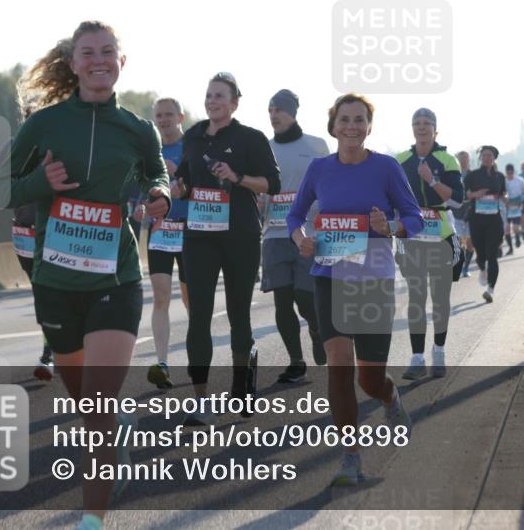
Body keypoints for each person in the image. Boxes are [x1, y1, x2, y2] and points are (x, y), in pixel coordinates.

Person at [0, 21, 171, 530]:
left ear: (121, 61)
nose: (99, 60)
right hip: (55, 283)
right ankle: (113, 435)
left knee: (95, 407)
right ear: (72, 64)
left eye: (108, 52)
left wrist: (162, 195)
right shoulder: (45, 124)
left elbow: (157, 173)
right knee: (88, 405)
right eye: (88, 53)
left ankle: (92, 519)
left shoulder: (138, 128)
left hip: (114, 279)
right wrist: (38, 181)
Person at [287, 93, 423, 487]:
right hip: (329, 274)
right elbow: (296, 214)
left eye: (359, 119)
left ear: (369, 126)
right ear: (333, 126)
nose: (351, 126)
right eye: (344, 119)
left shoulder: (386, 168)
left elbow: (413, 217)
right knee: (339, 360)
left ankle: (389, 397)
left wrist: (391, 227)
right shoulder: (319, 168)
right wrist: (300, 238)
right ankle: (350, 456)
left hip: (374, 279)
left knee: (369, 379)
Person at [173, 72, 280, 425]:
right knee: (198, 316)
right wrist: (175, 187)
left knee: (238, 315)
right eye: (208, 95)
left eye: (220, 96)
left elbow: (271, 185)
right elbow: (185, 180)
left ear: (235, 103)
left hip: (241, 236)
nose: (212, 101)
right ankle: (200, 400)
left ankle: (242, 378)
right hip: (199, 236)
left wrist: (237, 177)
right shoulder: (193, 136)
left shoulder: (250, 138)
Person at [260, 89, 329, 384]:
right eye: (270, 110)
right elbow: (260, 187)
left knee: (305, 296)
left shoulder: (316, 145)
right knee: (282, 298)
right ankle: (295, 361)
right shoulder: (264, 147)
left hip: (309, 232)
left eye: (279, 110)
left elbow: (331, 183)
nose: (274, 115)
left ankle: (315, 328)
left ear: (293, 112)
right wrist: (260, 201)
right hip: (275, 233)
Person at [0, 108, 53, 381]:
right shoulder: (12, 147)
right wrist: (25, 189)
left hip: (61, 231)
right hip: (25, 231)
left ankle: (55, 351)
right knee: (43, 291)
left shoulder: (67, 144)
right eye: (30, 114)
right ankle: (51, 350)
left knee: (59, 292)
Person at [395, 108, 463, 379]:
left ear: (436, 129)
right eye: (417, 124)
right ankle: (416, 357)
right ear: (412, 129)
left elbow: (457, 199)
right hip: (412, 239)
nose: (422, 128)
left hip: (441, 238)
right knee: (416, 297)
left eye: (427, 124)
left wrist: (431, 180)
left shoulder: (447, 159)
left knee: (440, 299)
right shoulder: (401, 160)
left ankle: (439, 351)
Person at [136, 98, 190, 390]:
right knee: (160, 297)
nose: (164, 119)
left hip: (190, 231)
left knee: (191, 299)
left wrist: (177, 174)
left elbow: (202, 187)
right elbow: (138, 184)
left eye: (169, 114)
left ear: (180, 116)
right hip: (160, 231)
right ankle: (162, 362)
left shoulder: (191, 148)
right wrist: (138, 205)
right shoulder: (150, 151)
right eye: (159, 115)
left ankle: (198, 357)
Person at [464, 146, 506, 303]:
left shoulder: (500, 177)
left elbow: (502, 193)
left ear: (494, 158)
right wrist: (475, 194)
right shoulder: (472, 176)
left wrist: (505, 198)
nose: (487, 158)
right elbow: (464, 194)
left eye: (490, 155)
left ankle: (491, 290)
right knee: (481, 254)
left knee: (492, 255)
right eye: (484, 155)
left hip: (494, 219)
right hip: (477, 219)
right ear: (480, 157)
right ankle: (482, 268)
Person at [453, 151, 475, 277]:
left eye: (466, 158)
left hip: (471, 212)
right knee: (459, 240)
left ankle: (466, 267)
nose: (463, 161)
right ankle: (461, 266)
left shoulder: (474, 175)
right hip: (456, 212)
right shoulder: (453, 174)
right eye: (461, 158)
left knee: (470, 243)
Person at [504, 163, 524, 254]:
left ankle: (518, 237)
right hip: (506, 206)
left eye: (511, 172)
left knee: (515, 227)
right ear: (506, 172)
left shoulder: (519, 180)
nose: (510, 174)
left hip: (517, 205)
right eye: (508, 173)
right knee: (506, 228)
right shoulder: (504, 181)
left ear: (513, 172)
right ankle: (510, 248)